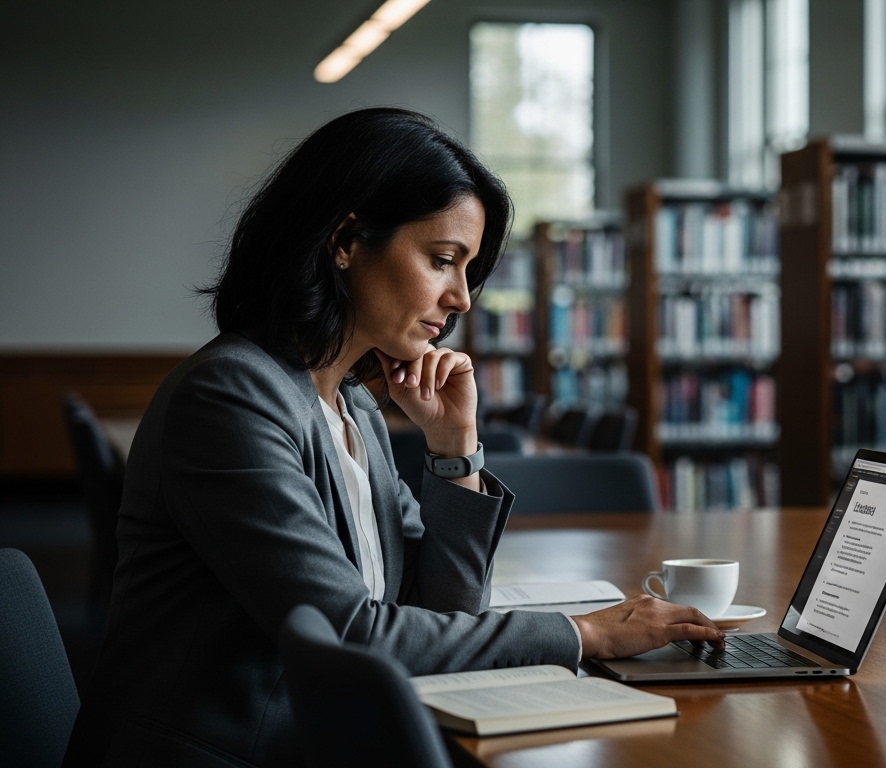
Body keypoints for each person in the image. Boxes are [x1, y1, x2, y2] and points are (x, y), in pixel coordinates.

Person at [63, 107, 724, 768]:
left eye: (467, 270)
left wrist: (453, 449)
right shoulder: (231, 397)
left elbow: (444, 608)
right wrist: (583, 635)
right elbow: (351, 634)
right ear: (346, 241)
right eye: (443, 260)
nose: (462, 298)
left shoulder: (353, 405)